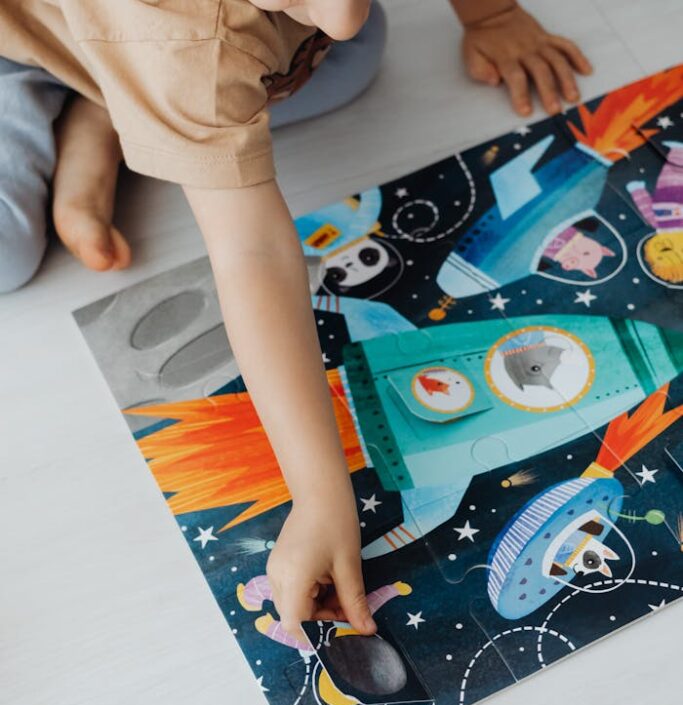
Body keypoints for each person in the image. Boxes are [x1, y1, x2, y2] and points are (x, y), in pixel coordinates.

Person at [0, 0, 592, 639]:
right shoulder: (185, 47)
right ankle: (88, 90)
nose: (340, 14)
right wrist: (318, 495)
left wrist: (492, 16)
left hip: (182, 52)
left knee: (352, 56)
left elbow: (337, 24)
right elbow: (251, 252)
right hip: (54, 38)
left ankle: (119, 110)